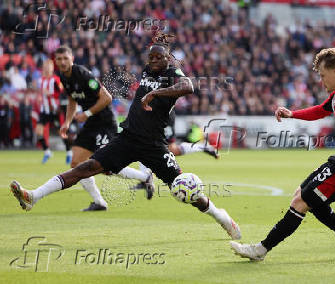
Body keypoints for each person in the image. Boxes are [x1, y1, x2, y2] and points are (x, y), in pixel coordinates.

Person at [10, 36, 241, 240]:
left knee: (183, 190)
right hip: (127, 138)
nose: (151, 61)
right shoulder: (147, 71)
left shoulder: (172, 74)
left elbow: (188, 86)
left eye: (157, 57)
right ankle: (34, 196)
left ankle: (221, 217)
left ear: (167, 59)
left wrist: (155, 93)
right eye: (150, 57)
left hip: (154, 145)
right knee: (85, 166)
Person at [230, 48, 335, 261]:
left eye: (323, 75)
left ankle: (260, 250)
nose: (321, 80)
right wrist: (292, 114)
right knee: (302, 194)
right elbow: (320, 110)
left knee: (304, 200)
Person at [12, 46, 153, 212]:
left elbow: (106, 98)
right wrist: (67, 122)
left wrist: (86, 113)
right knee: (77, 163)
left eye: (65, 58)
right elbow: (72, 100)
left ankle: (145, 177)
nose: (63, 62)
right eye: (59, 59)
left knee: (105, 165)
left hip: (104, 123)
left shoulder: (82, 74)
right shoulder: (64, 78)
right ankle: (99, 202)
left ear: (72, 58)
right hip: (91, 123)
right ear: (55, 62)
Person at [35, 59, 71, 163]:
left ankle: (69, 152)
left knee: (62, 132)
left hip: (55, 110)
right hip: (44, 110)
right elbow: (41, 93)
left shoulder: (56, 80)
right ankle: (47, 152)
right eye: (45, 66)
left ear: (52, 68)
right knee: (38, 131)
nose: (46, 68)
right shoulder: (41, 80)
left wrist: (50, 94)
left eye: (48, 66)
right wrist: (40, 98)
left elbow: (61, 92)